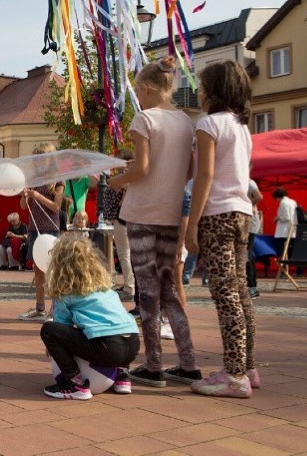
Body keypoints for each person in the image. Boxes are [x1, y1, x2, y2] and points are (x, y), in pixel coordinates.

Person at [107, 56, 201, 388]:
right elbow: (190, 170)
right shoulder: (186, 122)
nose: (138, 98)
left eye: (138, 92)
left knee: (147, 290)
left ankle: (154, 364)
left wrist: (117, 181)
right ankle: (188, 362)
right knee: (171, 289)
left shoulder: (144, 119)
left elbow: (141, 168)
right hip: (173, 212)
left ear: (146, 90)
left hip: (143, 213)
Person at [185, 59, 257, 398]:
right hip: (243, 212)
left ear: (213, 91)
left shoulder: (209, 124)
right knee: (241, 293)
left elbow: (205, 175)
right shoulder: (241, 127)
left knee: (225, 294)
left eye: (201, 87)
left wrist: (193, 223)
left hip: (217, 215)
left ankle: (234, 375)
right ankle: (247, 366)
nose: (198, 93)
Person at [40, 234, 140, 400]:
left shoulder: (65, 292)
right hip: (133, 344)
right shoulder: (105, 288)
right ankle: (122, 377)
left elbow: (62, 325)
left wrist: (52, 348)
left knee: (49, 330)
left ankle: (76, 383)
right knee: (113, 326)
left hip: (109, 348)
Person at [18, 142, 65, 322]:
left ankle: (56, 310)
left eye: (41, 159)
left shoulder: (57, 181)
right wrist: (25, 196)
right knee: (38, 270)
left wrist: (37, 196)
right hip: (33, 229)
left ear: (50, 160)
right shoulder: (33, 180)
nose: (37, 163)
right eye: (35, 160)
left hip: (50, 229)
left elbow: (56, 207)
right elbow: (23, 207)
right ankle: (39, 308)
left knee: (52, 270)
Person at [103, 151, 134, 301]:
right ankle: (130, 284)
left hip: (122, 219)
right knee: (125, 254)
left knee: (124, 254)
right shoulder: (129, 176)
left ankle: (130, 286)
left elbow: (124, 189)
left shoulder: (127, 177)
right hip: (120, 218)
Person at [246, 180, 264, 298]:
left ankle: (252, 287)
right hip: (246, 220)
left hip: (249, 221)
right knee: (245, 254)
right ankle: (250, 286)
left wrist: (247, 206)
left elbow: (258, 196)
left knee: (246, 254)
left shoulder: (249, 182)